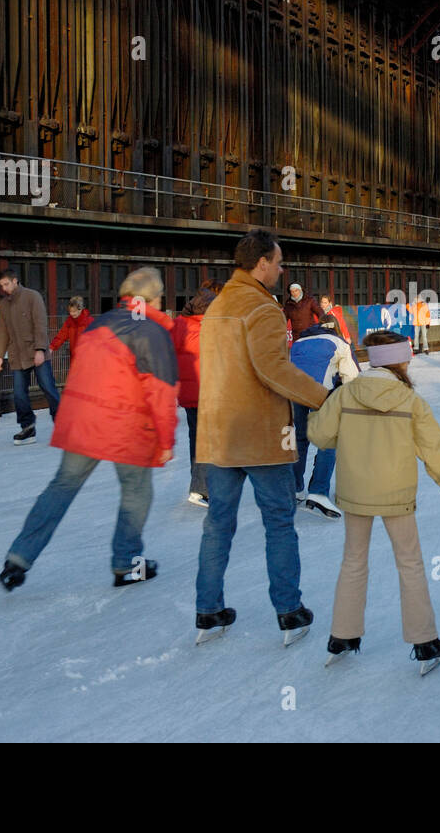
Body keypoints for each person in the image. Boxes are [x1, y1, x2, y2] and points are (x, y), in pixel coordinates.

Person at [0, 267, 179, 592]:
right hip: (127, 425)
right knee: (137, 492)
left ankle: (18, 557)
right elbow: (161, 391)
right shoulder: (151, 331)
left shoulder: (100, 324)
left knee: (62, 486)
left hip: (83, 420)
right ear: (152, 297)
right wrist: (165, 440)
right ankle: (126, 562)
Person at [194, 229, 330, 646]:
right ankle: (289, 611)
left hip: (219, 432)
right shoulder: (264, 309)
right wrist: (323, 396)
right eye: (278, 261)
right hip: (261, 435)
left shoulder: (216, 307)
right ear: (261, 264)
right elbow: (273, 370)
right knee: (278, 522)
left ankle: (209, 610)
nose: (282, 268)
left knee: (218, 523)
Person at [308, 330, 440, 671]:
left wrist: (328, 414)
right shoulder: (410, 401)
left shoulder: (345, 394)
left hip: (355, 493)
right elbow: (435, 451)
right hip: (396, 495)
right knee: (409, 563)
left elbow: (320, 434)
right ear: (398, 360)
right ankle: (424, 642)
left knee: (353, 561)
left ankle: (342, 635)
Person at [290, 313, 360, 518]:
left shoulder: (299, 341)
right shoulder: (339, 342)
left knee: (300, 439)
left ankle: (294, 488)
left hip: (294, 391)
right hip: (320, 393)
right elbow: (351, 378)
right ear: (335, 328)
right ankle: (318, 492)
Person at [171, 281, 224, 507]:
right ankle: (202, 489)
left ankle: (199, 483)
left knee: (197, 437)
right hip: (208, 389)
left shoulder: (179, 324)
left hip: (188, 392)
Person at [0, 269, 62, 446]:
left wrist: (40, 349)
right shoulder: (4, 305)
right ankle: (28, 428)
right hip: (17, 355)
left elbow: (40, 323)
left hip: (35, 351)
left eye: (6, 284)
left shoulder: (32, 296)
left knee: (49, 389)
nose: (4, 288)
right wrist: (0, 356)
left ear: (15, 281)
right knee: (19, 394)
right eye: (1, 285)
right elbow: (2, 332)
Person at [50, 296, 93, 361]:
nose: (72, 313)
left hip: (88, 357)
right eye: (70, 311)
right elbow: (61, 336)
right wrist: (51, 347)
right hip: (74, 358)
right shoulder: (69, 322)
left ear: (80, 309)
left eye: (74, 311)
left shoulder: (89, 321)